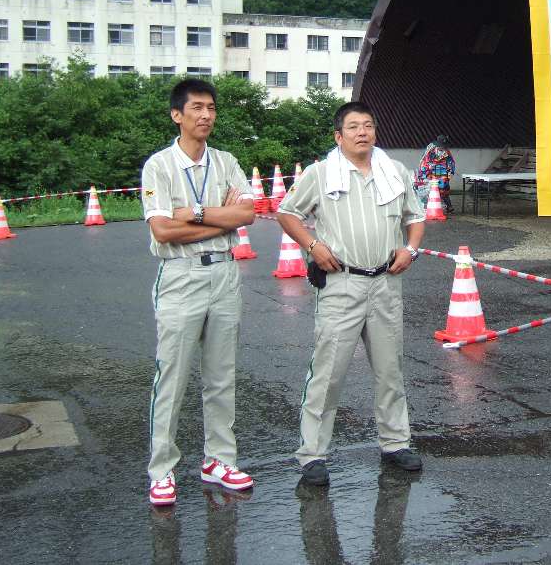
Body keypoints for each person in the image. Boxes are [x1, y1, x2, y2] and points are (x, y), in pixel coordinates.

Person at [277, 101, 426, 486]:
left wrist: (410, 250)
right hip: (342, 282)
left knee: (390, 368)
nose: (363, 132)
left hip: (386, 282)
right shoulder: (320, 174)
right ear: (338, 136)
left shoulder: (394, 172)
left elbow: (417, 217)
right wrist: (312, 246)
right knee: (328, 372)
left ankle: (395, 443)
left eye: (369, 125)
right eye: (354, 127)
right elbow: (287, 213)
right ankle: (312, 454)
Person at [141, 78, 257, 506]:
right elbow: (162, 229)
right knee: (170, 375)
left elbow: (247, 213)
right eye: (197, 108)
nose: (206, 115)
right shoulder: (159, 166)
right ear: (178, 114)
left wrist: (197, 213)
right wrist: (222, 221)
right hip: (180, 276)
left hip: (225, 275)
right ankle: (161, 468)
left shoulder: (226, 161)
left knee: (220, 374)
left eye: (211, 108)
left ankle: (219, 459)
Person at [415, 135, 457, 213]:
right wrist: (424, 172)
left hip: (442, 171)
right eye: (441, 146)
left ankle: (448, 205)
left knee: (444, 186)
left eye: (444, 146)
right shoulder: (430, 149)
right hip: (429, 170)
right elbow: (424, 161)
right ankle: (426, 207)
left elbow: (451, 162)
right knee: (428, 187)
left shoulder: (447, 151)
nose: (443, 147)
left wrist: (450, 172)